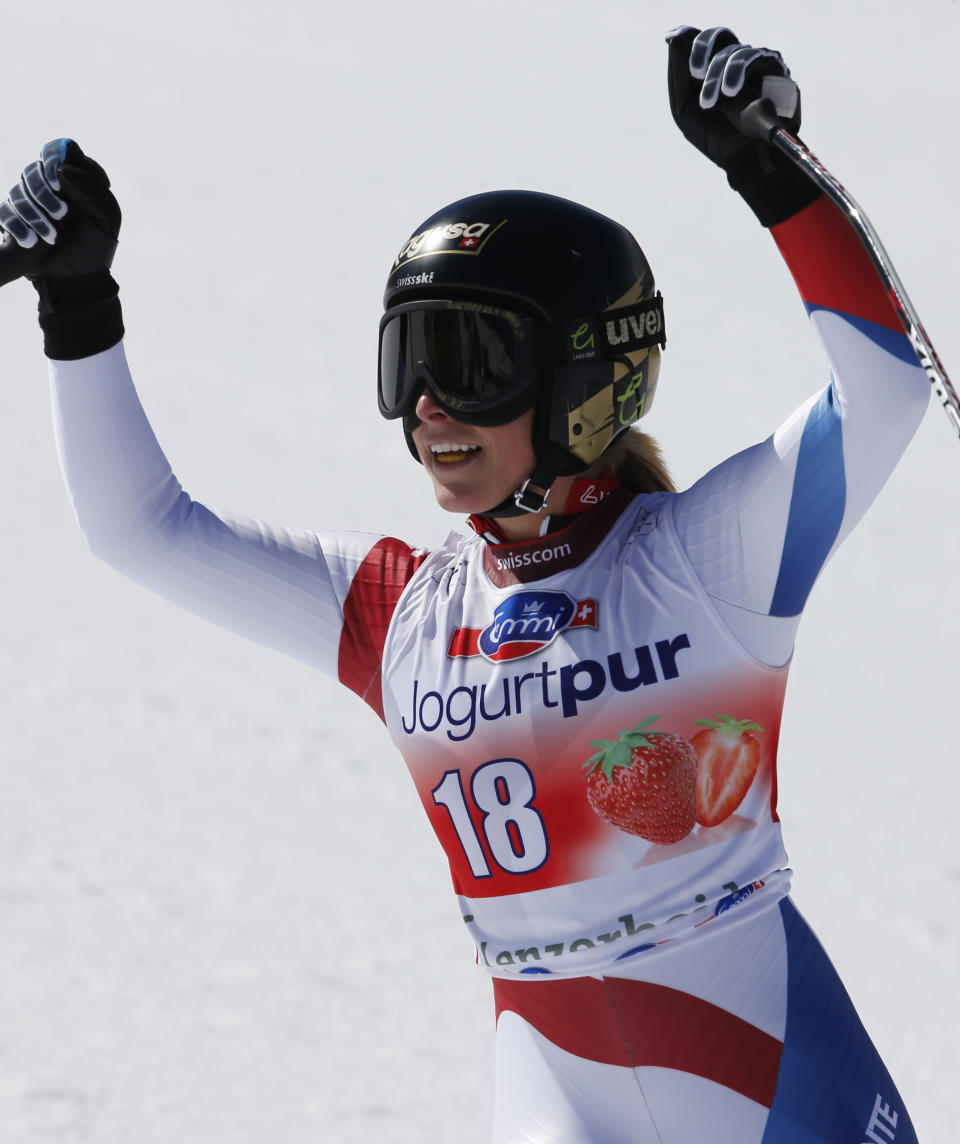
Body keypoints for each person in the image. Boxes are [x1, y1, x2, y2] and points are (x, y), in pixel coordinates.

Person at [0, 25, 927, 1144]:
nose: (431, 406)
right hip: (554, 1084)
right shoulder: (400, 614)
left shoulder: (707, 557)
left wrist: (769, 170)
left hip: (775, 1070)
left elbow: (884, 389)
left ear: (588, 378)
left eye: (474, 363)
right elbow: (139, 529)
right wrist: (79, 308)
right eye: (412, 360)